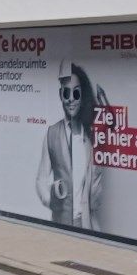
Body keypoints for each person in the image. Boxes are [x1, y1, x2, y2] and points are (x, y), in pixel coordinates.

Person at [34, 59, 105, 230]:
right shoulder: (51, 133)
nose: (71, 99)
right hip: (60, 223)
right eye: (66, 93)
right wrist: (50, 200)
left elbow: (95, 195)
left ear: (83, 96)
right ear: (60, 95)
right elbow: (41, 178)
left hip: (86, 223)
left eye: (76, 93)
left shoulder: (91, 136)